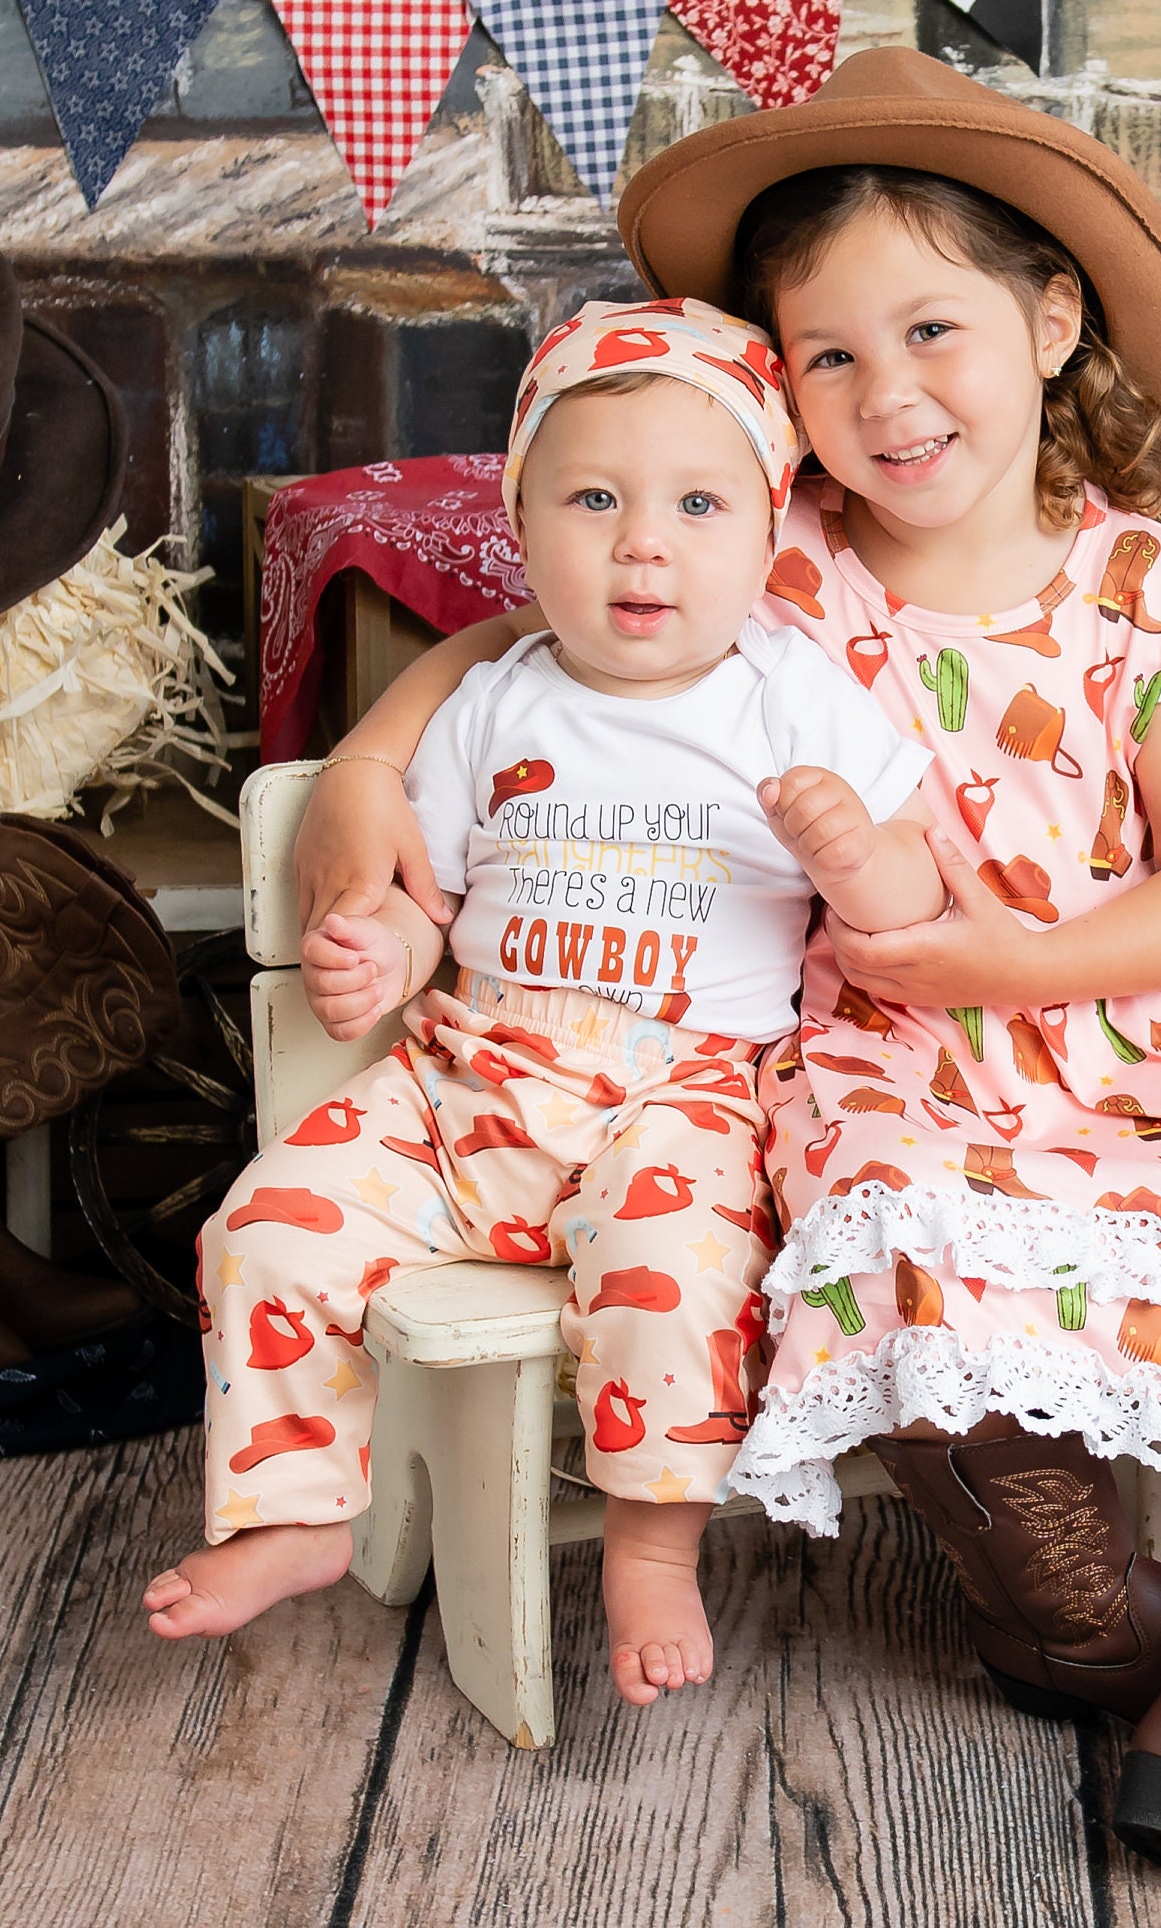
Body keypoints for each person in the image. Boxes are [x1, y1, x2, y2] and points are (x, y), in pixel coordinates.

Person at [286, 51, 1161, 1921]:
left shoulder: (1141, 591)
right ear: (777, 396)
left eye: (935, 328)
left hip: (1120, 1039)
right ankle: (1119, 1652)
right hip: (874, 1050)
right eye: (828, 357)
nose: (891, 397)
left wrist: (1026, 960)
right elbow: (504, 648)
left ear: (1052, 324)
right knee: (894, 1227)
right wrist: (375, 776)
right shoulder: (766, 562)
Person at [146, 300, 940, 1710]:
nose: (645, 541)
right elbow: (421, 891)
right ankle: (297, 1517)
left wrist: (851, 851)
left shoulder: (790, 699)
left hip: (677, 1094)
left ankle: (650, 1548)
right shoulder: (494, 703)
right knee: (261, 1231)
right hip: (471, 1077)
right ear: (519, 527)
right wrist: (380, 953)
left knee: (672, 1280)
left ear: (768, 540)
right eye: (593, 499)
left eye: (699, 504)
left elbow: (904, 902)